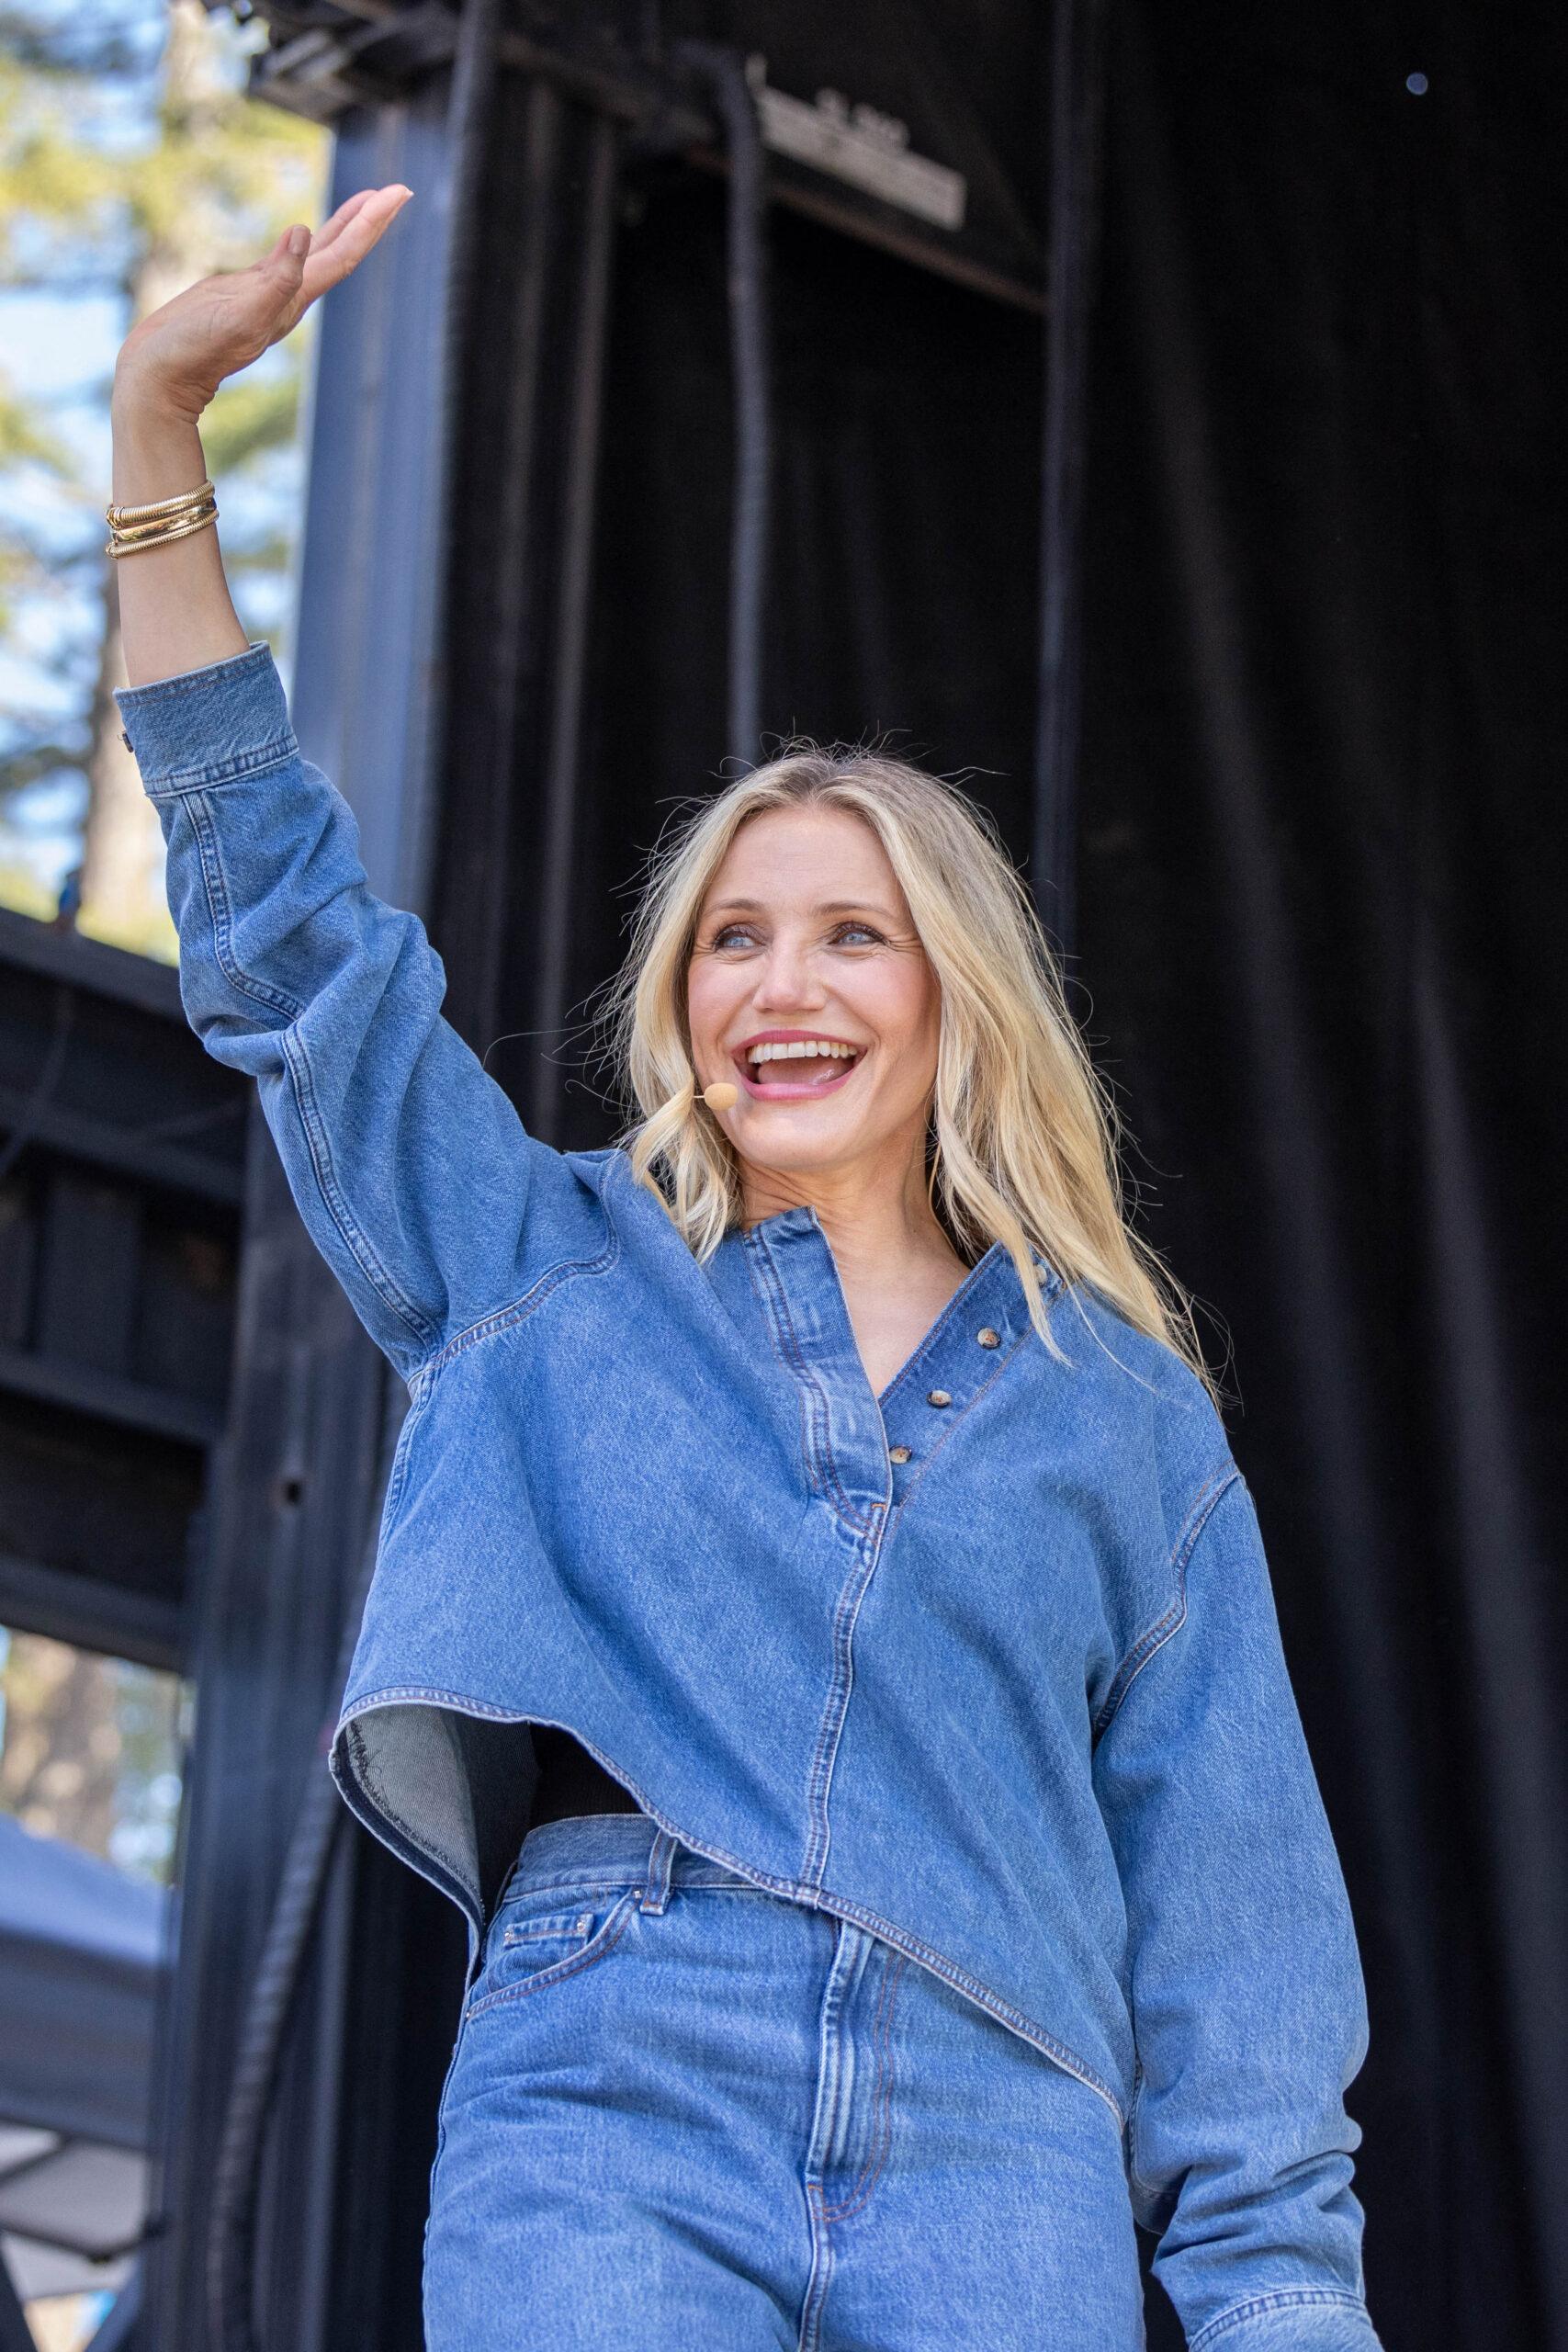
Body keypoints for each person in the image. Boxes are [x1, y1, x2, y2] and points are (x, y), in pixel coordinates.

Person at [109, 187, 1382, 2352]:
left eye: (849, 931)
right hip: (618, 2076)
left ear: (955, 997)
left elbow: (1239, 1979)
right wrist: (153, 427)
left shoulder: (1118, 1415)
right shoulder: (541, 1262)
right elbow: (292, 945)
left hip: (1009, 2134)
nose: (779, 986)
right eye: (731, 934)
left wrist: (1284, 2313)